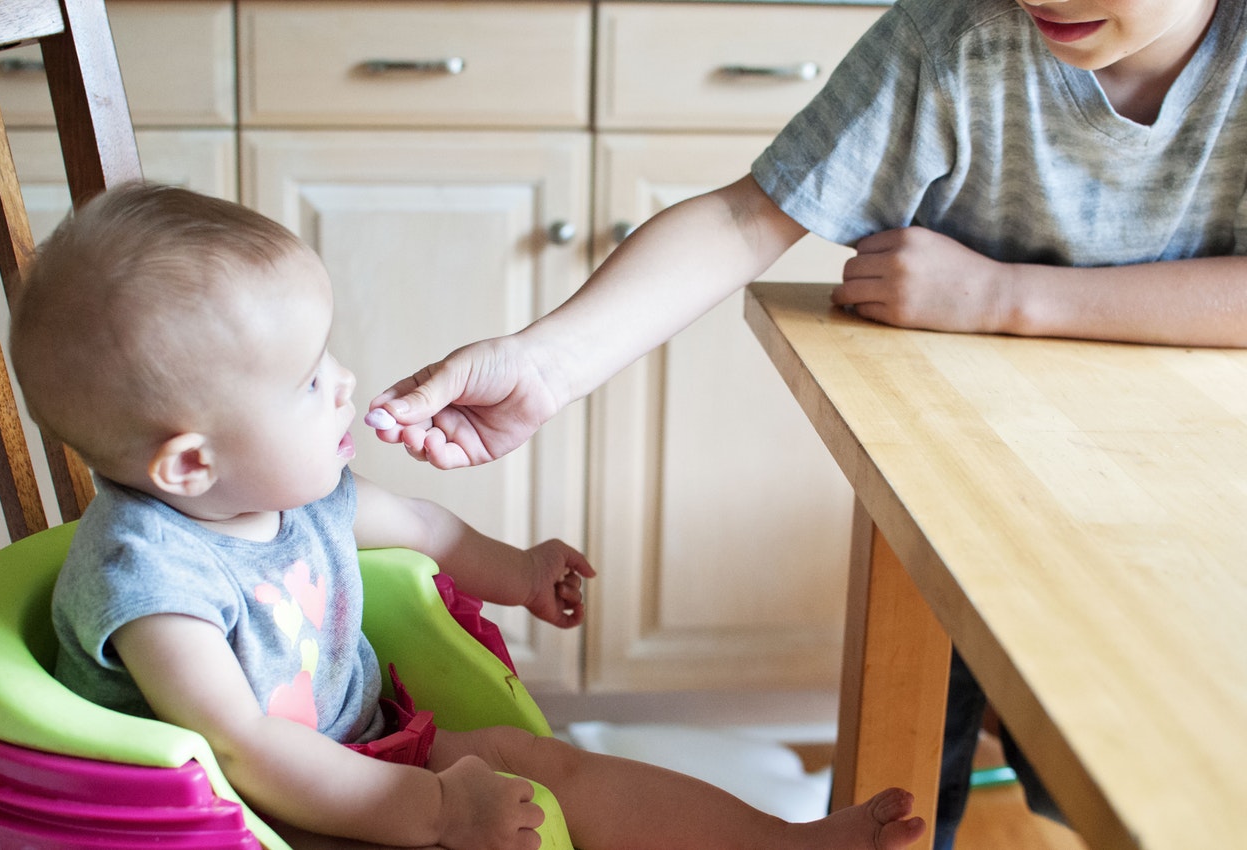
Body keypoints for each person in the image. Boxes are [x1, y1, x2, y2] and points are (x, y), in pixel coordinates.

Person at [365, 0, 1247, 846]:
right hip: (966, 481)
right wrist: (548, 363)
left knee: (1140, 769)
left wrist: (1002, 295)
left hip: (1191, 499)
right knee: (915, 757)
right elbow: (749, 215)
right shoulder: (954, 36)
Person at [11, 182, 926, 850]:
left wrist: (520, 572)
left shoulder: (289, 492)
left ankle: (781, 843)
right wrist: (438, 811)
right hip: (241, 817)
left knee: (548, 765)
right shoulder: (155, 584)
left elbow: (426, 527)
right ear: (190, 463)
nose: (345, 384)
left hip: (364, 749)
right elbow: (241, 751)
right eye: (306, 383)